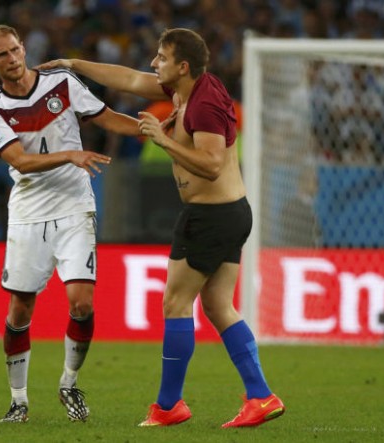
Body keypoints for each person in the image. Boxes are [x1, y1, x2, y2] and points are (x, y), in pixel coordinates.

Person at [38, 28, 285, 429]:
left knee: (175, 303)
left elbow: (212, 164)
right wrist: (73, 65)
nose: (153, 64)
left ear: (182, 66)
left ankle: (169, 405)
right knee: (218, 306)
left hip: (210, 216)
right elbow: (130, 79)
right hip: (230, 213)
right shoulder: (189, 89)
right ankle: (259, 396)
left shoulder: (201, 105)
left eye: (161, 58)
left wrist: (161, 138)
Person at [0, 24, 140, 424]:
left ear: (23, 48)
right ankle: (18, 400)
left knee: (82, 304)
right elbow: (20, 161)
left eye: (16, 49)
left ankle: (69, 383)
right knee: (20, 310)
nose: (13, 59)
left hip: (74, 204)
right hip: (29, 211)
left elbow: (107, 118)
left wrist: (157, 130)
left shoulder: (61, 83)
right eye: (3, 55)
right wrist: (71, 154)